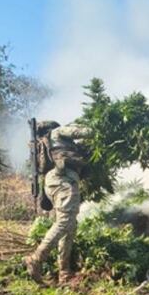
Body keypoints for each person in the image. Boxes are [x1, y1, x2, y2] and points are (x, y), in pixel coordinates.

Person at [26, 120, 92, 285]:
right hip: (63, 180)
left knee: (70, 226)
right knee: (64, 222)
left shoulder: (50, 144)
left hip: (57, 180)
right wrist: (100, 128)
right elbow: (83, 132)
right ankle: (36, 259)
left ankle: (64, 272)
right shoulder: (57, 133)